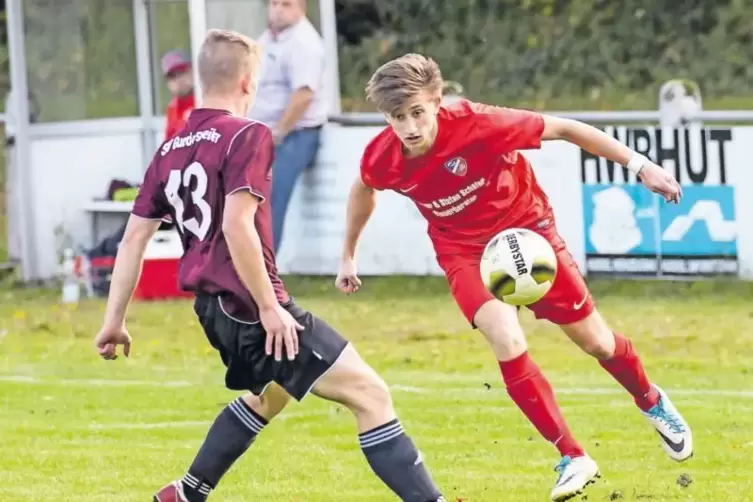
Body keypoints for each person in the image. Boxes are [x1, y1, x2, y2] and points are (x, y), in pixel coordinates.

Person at [92, 32, 445, 502]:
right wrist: (269, 307)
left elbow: (133, 238)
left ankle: (187, 493)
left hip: (212, 310)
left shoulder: (169, 150)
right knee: (370, 394)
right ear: (247, 81)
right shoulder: (247, 134)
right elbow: (237, 225)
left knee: (271, 394)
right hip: (248, 303)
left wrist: (113, 322)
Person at [335, 53, 692, 502]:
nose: (409, 127)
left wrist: (641, 167)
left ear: (437, 101)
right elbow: (363, 188)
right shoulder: (383, 157)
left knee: (597, 343)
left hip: (528, 234)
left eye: (417, 113)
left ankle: (651, 400)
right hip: (463, 252)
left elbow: (566, 128)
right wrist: (348, 255)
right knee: (505, 337)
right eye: (397, 117)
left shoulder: (480, 124)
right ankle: (572, 455)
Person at [249, 0, 328, 253]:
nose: (277, 10)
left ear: (301, 7)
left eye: (286, 4)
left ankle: (265, 271)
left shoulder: (303, 42)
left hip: (296, 134)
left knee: (271, 198)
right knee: (251, 198)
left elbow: (303, 94)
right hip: (264, 134)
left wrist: (278, 132)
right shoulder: (267, 39)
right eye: (273, 4)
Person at [162, 49, 196, 140]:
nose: (178, 80)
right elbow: (167, 147)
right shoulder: (172, 108)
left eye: (182, 73)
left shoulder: (204, 99)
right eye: (172, 76)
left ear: (193, 72)